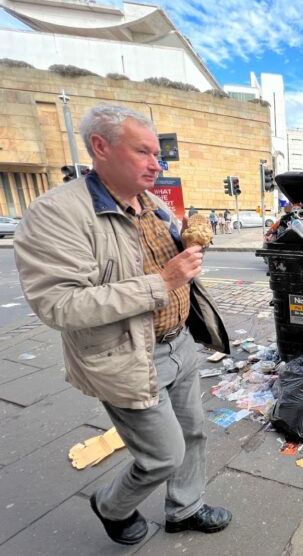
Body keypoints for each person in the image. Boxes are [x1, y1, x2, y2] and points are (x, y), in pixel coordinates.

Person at [14, 104, 232, 546]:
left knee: (192, 435)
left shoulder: (150, 204)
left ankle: (184, 509)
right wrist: (165, 281)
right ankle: (111, 505)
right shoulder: (57, 213)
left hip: (179, 343)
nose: (157, 164)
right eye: (144, 152)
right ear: (101, 147)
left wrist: (191, 241)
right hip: (128, 354)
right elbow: (59, 305)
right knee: (162, 455)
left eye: (158, 154)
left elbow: (169, 262)